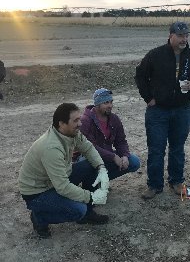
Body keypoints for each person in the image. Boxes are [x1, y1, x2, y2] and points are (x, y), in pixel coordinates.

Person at [135, 21, 190, 199]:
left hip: (182, 110)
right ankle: (154, 185)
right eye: (180, 35)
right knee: (156, 148)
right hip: (158, 111)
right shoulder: (156, 54)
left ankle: (176, 182)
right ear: (171, 36)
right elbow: (140, 75)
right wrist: (148, 98)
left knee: (177, 148)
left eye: (186, 35)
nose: (184, 39)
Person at [18, 103, 110, 238]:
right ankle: (39, 217)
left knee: (90, 165)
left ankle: (87, 214)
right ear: (61, 124)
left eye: (79, 119)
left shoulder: (72, 133)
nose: (80, 124)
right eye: (75, 120)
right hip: (38, 192)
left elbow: (88, 148)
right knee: (78, 210)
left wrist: (101, 168)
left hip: (56, 179)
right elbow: (62, 187)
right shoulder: (51, 148)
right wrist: (90, 197)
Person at [79, 88, 141, 181]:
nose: (110, 105)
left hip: (107, 156)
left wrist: (124, 155)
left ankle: (103, 180)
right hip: (88, 157)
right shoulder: (85, 120)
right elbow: (89, 147)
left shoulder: (114, 119)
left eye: (111, 102)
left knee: (134, 162)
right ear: (97, 104)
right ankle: (91, 182)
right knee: (84, 163)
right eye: (106, 103)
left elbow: (121, 141)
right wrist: (113, 156)